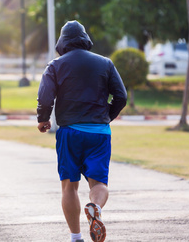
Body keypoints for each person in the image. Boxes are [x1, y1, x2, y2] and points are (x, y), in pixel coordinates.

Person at [36, 21, 127, 242]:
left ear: (62, 42)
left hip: (70, 132)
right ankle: (95, 207)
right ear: (85, 40)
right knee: (99, 184)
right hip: (99, 133)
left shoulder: (55, 66)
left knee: (69, 186)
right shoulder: (105, 63)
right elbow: (121, 96)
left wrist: (43, 119)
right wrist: (106, 117)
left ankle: (76, 237)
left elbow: (45, 96)